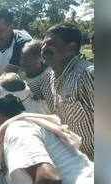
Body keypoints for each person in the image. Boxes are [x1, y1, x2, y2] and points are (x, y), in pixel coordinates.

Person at [40, 24, 94, 160]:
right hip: (74, 159)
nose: (44, 48)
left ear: (71, 48)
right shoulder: (47, 77)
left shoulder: (88, 75)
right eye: (43, 44)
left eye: (51, 44)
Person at [19, 40, 53, 113]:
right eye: (22, 58)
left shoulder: (48, 78)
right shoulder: (25, 75)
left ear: (41, 59)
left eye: (27, 60)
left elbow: (51, 107)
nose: (22, 63)